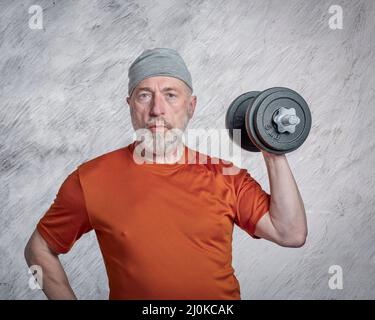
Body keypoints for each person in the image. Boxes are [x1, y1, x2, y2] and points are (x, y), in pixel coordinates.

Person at [24, 48, 307, 300]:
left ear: (191, 106)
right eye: (144, 95)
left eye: (170, 95)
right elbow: (38, 250)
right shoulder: (90, 179)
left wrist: (271, 148)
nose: (157, 110)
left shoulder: (226, 175)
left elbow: (290, 233)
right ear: (130, 105)